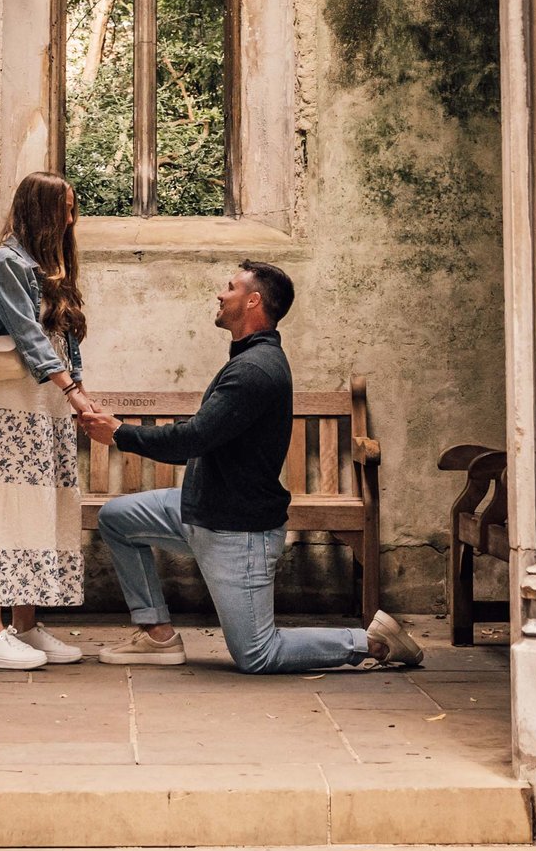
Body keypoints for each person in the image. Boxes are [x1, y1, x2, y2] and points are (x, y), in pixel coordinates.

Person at [75, 261, 423, 673]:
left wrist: (117, 432)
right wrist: (113, 427)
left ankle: (371, 641)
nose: (221, 295)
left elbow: (192, 439)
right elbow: (205, 435)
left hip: (237, 531)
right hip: (199, 509)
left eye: (231, 288)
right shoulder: (247, 360)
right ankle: (157, 635)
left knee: (258, 654)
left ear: (253, 300)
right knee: (117, 517)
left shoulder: (256, 370)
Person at [0, 171, 110, 670]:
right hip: (16, 409)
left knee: (41, 507)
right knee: (6, 505)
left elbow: (66, 340)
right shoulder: (6, 262)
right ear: (41, 211)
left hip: (50, 410)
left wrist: (80, 396)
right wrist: (72, 391)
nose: (71, 219)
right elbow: (28, 336)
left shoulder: (50, 267)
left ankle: (23, 626)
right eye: (64, 209)